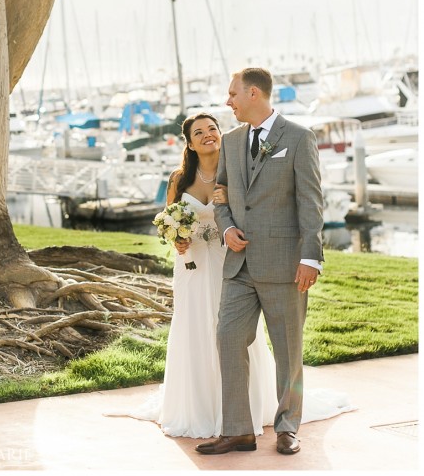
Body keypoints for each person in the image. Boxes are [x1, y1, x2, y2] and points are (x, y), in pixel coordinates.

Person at [120, 111, 279, 438]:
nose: (208, 135)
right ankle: (198, 407)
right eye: (199, 132)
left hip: (229, 261)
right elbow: (168, 219)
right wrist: (175, 237)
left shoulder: (236, 170)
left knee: (231, 329)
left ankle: (245, 407)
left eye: (212, 129)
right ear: (190, 144)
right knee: (195, 327)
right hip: (191, 264)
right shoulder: (179, 179)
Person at [195, 67, 324, 457]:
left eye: (232, 94)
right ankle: (238, 431)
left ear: (253, 94)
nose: (227, 101)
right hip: (238, 265)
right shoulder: (232, 142)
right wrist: (228, 226)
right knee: (228, 338)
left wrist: (310, 257)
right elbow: (223, 195)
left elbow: (311, 202)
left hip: (286, 264)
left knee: (288, 349)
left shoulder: (299, 138)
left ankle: (287, 427)